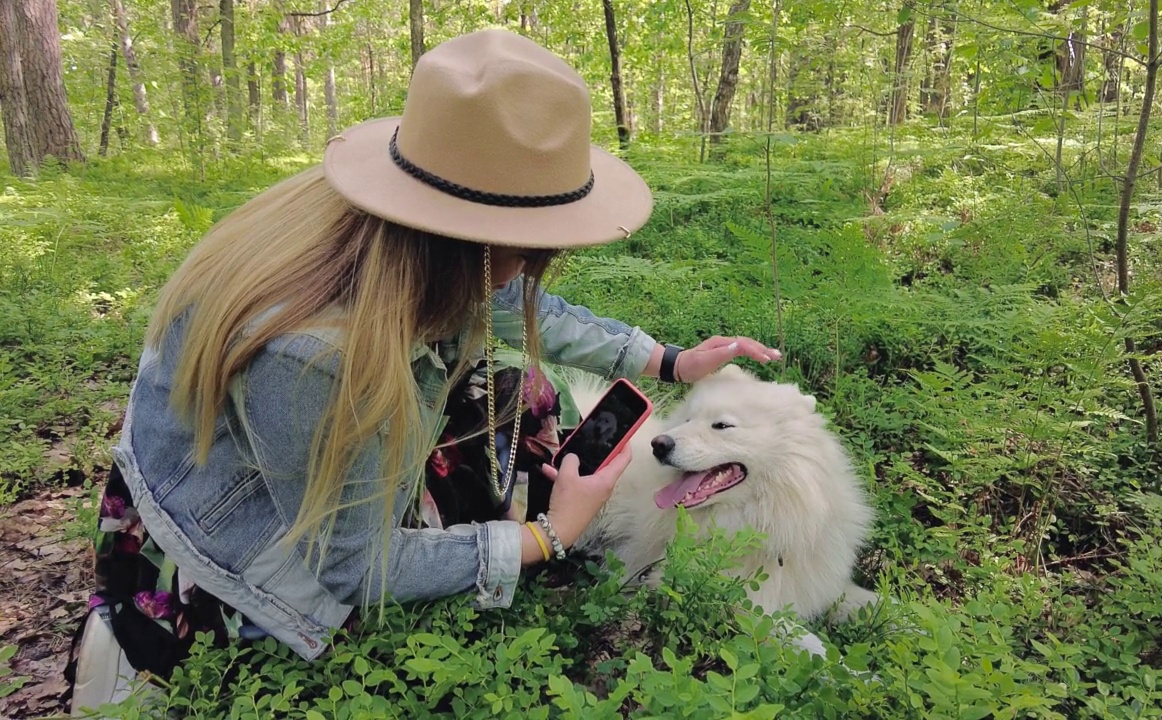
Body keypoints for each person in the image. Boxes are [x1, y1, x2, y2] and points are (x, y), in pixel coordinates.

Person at [66, 28, 779, 714]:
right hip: (231, 538)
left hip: (294, 451)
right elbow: (352, 567)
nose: (536, 268)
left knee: (520, 396)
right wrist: (546, 538)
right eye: (530, 250)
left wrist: (672, 360)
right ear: (456, 240)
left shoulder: (382, 231)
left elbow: (523, 307)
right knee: (373, 597)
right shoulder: (312, 357)